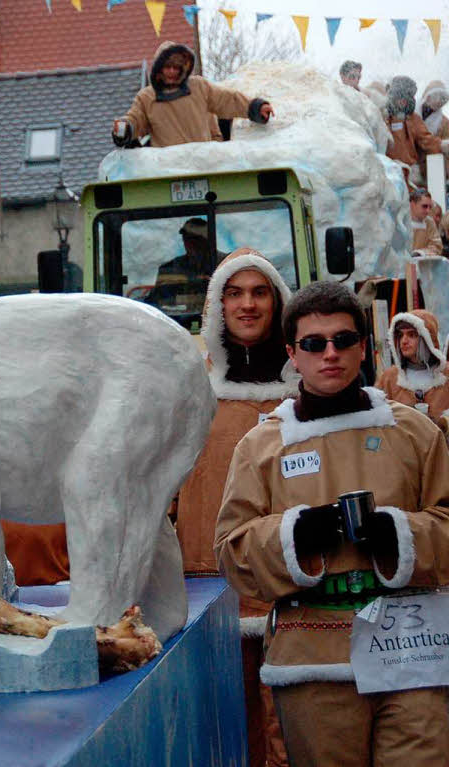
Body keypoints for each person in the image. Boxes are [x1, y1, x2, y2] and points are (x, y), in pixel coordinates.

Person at [215, 281, 449, 766]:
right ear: (291, 354)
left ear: (363, 347)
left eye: (343, 340)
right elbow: (232, 548)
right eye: (313, 344)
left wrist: (399, 533)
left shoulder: (415, 432)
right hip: (313, 661)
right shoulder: (261, 448)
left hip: (414, 653)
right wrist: (295, 536)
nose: (330, 354)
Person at [174, 247, 296, 767]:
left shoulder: (308, 388)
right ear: (217, 305)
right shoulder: (189, 390)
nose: (247, 305)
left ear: (277, 302)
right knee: (221, 727)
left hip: (290, 587)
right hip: (206, 586)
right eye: (234, 292)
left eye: (259, 292)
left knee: (289, 727)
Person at [112, 41, 273, 149]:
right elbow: (135, 120)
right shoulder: (146, 97)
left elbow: (227, 100)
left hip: (203, 165)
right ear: (158, 68)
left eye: (176, 67)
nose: (172, 71)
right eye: (167, 67)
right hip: (167, 173)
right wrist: (124, 128)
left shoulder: (198, 87)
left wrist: (255, 107)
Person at [376, 310, 449, 421]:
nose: (404, 341)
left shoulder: (446, 374)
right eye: (400, 335)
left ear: (427, 339)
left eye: (412, 335)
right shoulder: (389, 378)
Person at [385, 76, 449, 187]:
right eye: (402, 96)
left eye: (410, 96)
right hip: (389, 169)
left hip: (411, 171)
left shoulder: (413, 118)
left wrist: (442, 145)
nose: (405, 101)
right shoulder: (383, 115)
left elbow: (426, 139)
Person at [408, 189, 442, 256]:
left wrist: (420, 253)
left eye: (430, 207)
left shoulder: (429, 222)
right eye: (424, 206)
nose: (428, 211)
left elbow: (437, 246)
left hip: (424, 264)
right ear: (412, 204)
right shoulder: (400, 221)